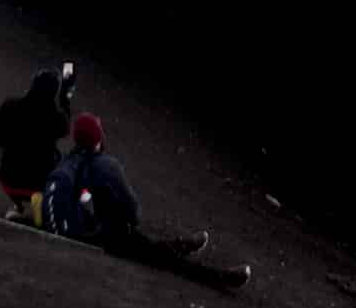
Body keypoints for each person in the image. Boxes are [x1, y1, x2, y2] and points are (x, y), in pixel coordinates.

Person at [45, 113, 250, 286]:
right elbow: (132, 210)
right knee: (159, 257)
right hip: (102, 236)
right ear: (97, 138)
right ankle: (217, 276)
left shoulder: (71, 161)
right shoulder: (105, 165)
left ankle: (180, 245)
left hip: (87, 228)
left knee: (147, 247)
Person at [0, 67, 71, 216]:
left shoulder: (10, 106)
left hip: (9, 180)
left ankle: (18, 205)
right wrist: (64, 101)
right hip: (40, 184)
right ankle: (45, 205)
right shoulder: (55, 117)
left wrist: (12, 147)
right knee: (65, 162)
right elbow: (65, 129)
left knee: (16, 167)